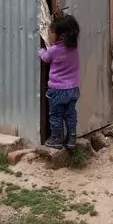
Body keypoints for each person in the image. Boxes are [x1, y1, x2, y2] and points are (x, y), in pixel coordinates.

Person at [38, 14, 81, 149]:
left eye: (50, 32)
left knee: (56, 115)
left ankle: (56, 139)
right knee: (70, 114)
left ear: (60, 35)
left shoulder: (54, 50)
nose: (49, 35)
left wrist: (40, 51)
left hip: (58, 91)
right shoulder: (74, 49)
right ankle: (71, 139)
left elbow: (45, 58)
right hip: (73, 89)